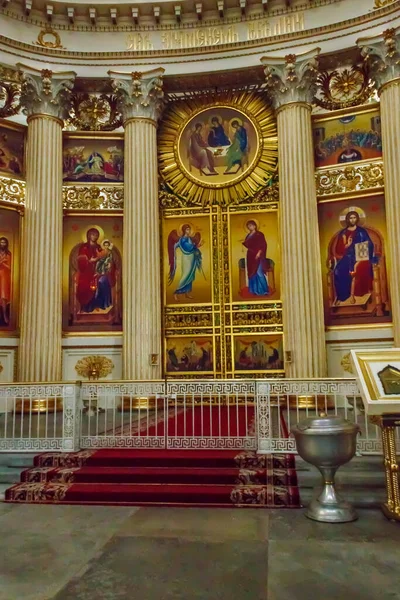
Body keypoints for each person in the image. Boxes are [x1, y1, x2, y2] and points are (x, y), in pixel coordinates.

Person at [331, 211, 375, 305]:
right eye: (350, 218)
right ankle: (342, 296)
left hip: (360, 257)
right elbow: (339, 249)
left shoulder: (361, 231)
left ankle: (359, 294)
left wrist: (363, 248)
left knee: (357, 268)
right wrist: (347, 245)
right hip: (347, 257)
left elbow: (369, 244)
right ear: (347, 219)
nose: (352, 220)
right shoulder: (343, 233)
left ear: (357, 219)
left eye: (354, 217)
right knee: (337, 271)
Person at [76, 228, 115, 312]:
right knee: (86, 284)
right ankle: (88, 306)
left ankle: (102, 304)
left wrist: (108, 264)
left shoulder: (99, 247)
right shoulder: (84, 247)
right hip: (86, 272)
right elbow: (80, 259)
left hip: (99, 271)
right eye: (93, 234)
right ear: (89, 235)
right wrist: (89, 261)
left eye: (96, 235)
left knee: (104, 281)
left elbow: (105, 258)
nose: (95, 236)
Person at [168, 225, 203, 301]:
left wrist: (197, 246)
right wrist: (196, 246)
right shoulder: (182, 240)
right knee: (185, 275)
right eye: (187, 230)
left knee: (190, 276)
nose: (189, 231)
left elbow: (193, 247)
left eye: (189, 229)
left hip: (191, 258)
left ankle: (186, 293)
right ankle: (176, 293)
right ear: (184, 230)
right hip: (187, 259)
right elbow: (188, 247)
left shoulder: (189, 238)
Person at [242, 220, 269, 296]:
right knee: (252, 273)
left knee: (259, 272)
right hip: (250, 255)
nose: (250, 227)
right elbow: (248, 244)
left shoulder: (259, 234)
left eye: (251, 225)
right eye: (248, 226)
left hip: (258, 255)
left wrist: (259, 253)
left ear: (255, 226)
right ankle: (254, 291)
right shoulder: (248, 235)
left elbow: (263, 245)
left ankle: (264, 290)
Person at [0, 237, 11, 326]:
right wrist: (2, 261)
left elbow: (10, 267)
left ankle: (4, 316)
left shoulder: (8, 254)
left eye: (4, 242)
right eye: (1, 242)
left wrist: (2, 263)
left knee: (3, 297)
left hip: (4, 276)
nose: (2, 244)